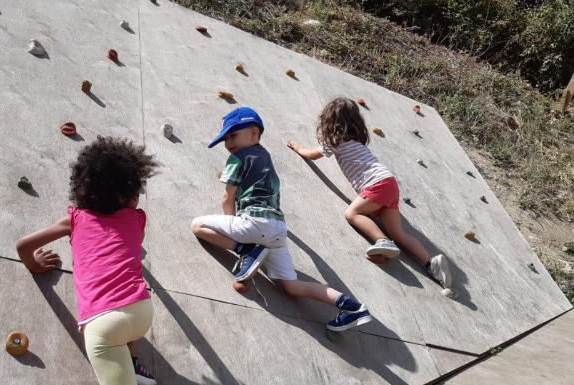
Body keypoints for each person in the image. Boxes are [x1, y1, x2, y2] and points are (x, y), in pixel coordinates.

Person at [191, 107, 372, 332]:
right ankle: (352, 307)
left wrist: (234, 230)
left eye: (233, 135)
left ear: (254, 133)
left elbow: (227, 197)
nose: (228, 143)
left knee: (197, 225)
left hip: (254, 223)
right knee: (293, 287)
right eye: (225, 139)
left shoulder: (237, 157)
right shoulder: (265, 156)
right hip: (277, 229)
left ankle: (245, 250)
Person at [16, 136, 158, 385]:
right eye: (135, 191)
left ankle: (129, 370)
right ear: (124, 196)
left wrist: (35, 265)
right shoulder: (137, 218)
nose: (138, 198)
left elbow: (24, 245)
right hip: (141, 312)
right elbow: (134, 244)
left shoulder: (75, 220)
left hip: (102, 324)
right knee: (125, 292)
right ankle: (133, 363)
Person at [287, 97, 451, 288]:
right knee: (399, 233)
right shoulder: (357, 142)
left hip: (376, 184)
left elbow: (313, 155)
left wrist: (299, 148)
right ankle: (432, 264)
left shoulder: (335, 141)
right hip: (389, 183)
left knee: (352, 213)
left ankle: (382, 240)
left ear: (330, 120)